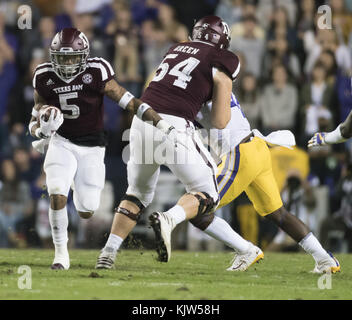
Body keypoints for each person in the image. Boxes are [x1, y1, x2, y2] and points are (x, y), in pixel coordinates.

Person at [95, 15, 244, 269]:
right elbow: (220, 121)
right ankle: (169, 219)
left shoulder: (175, 49)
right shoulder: (224, 59)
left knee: (137, 193)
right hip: (173, 126)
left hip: (141, 121)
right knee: (208, 192)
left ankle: (108, 253)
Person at [28, 27, 179, 270]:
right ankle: (60, 255)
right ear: (53, 56)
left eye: (72, 57)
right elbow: (33, 122)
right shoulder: (44, 76)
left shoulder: (96, 71)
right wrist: (42, 130)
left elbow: (129, 102)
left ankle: (76, 181)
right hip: (61, 142)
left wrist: (162, 124)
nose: (67, 64)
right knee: (56, 192)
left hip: (92, 146)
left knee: (87, 210)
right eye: (62, 57)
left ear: (85, 56)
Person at [193, 92, 341, 273]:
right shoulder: (216, 81)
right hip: (255, 147)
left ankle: (245, 250)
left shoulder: (203, 86)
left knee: (197, 208)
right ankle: (324, 258)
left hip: (240, 152)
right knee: (278, 214)